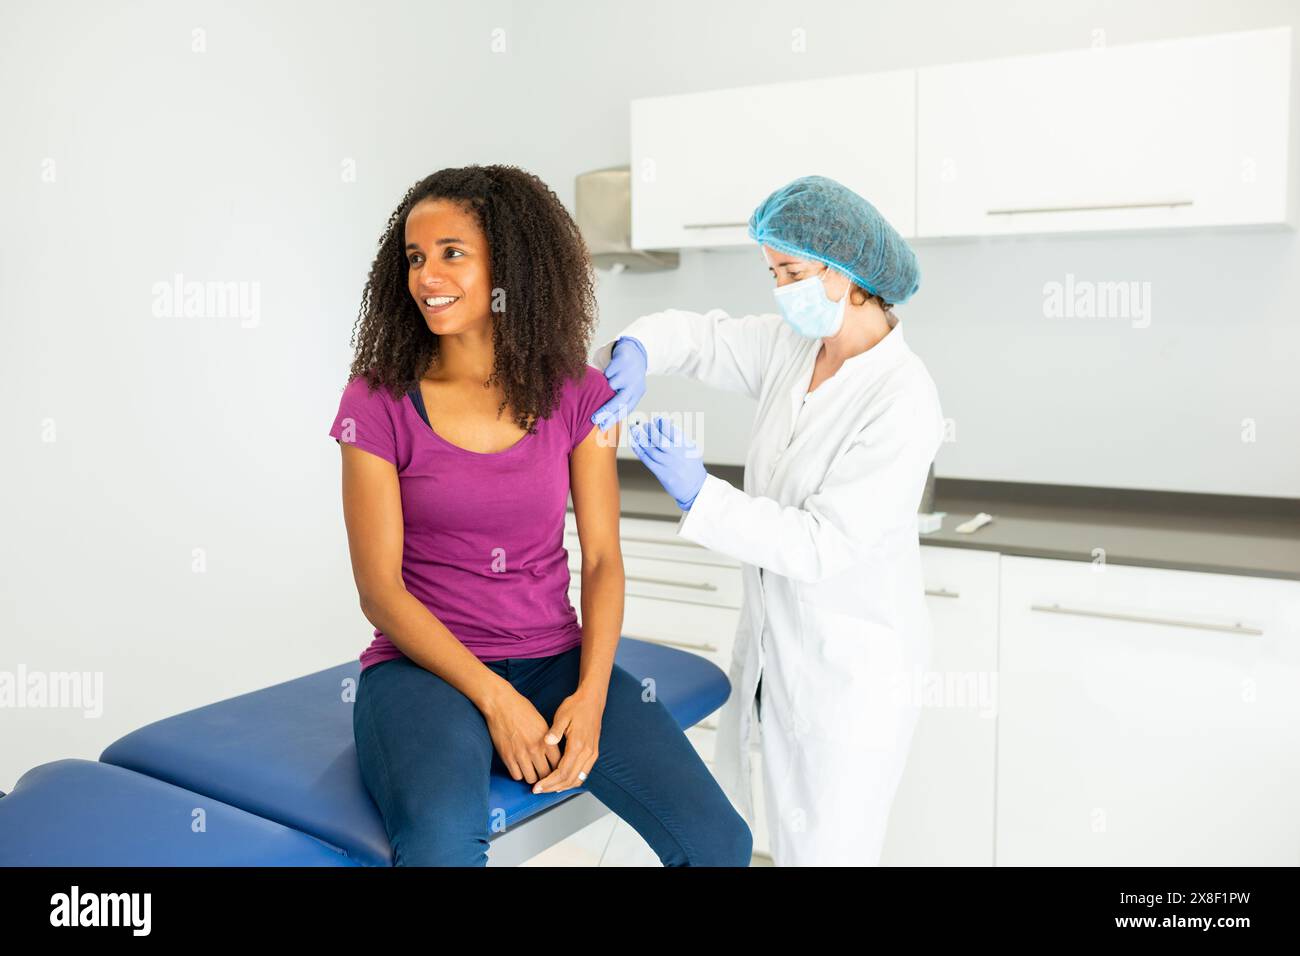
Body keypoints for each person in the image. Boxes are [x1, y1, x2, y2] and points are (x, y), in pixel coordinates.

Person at [328, 164, 751, 866]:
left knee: (717, 841)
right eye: (415, 257)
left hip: (555, 659)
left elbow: (604, 560)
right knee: (441, 844)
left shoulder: (580, 395)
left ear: (509, 265)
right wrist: (495, 700)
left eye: (452, 253)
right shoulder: (376, 403)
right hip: (422, 670)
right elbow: (380, 591)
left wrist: (589, 696)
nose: (427, 275)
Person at [590, 175, 944, 865]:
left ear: (845, 272)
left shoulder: (903, 398)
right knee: (764, 838)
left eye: (791, 271)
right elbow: (702, 339)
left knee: (827, 851)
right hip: (776, 652)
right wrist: (637, 350)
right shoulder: (796, 347)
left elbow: (822, 544)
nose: (781, 290)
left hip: (848, 673)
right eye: (773, 272)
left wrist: (701, 495)